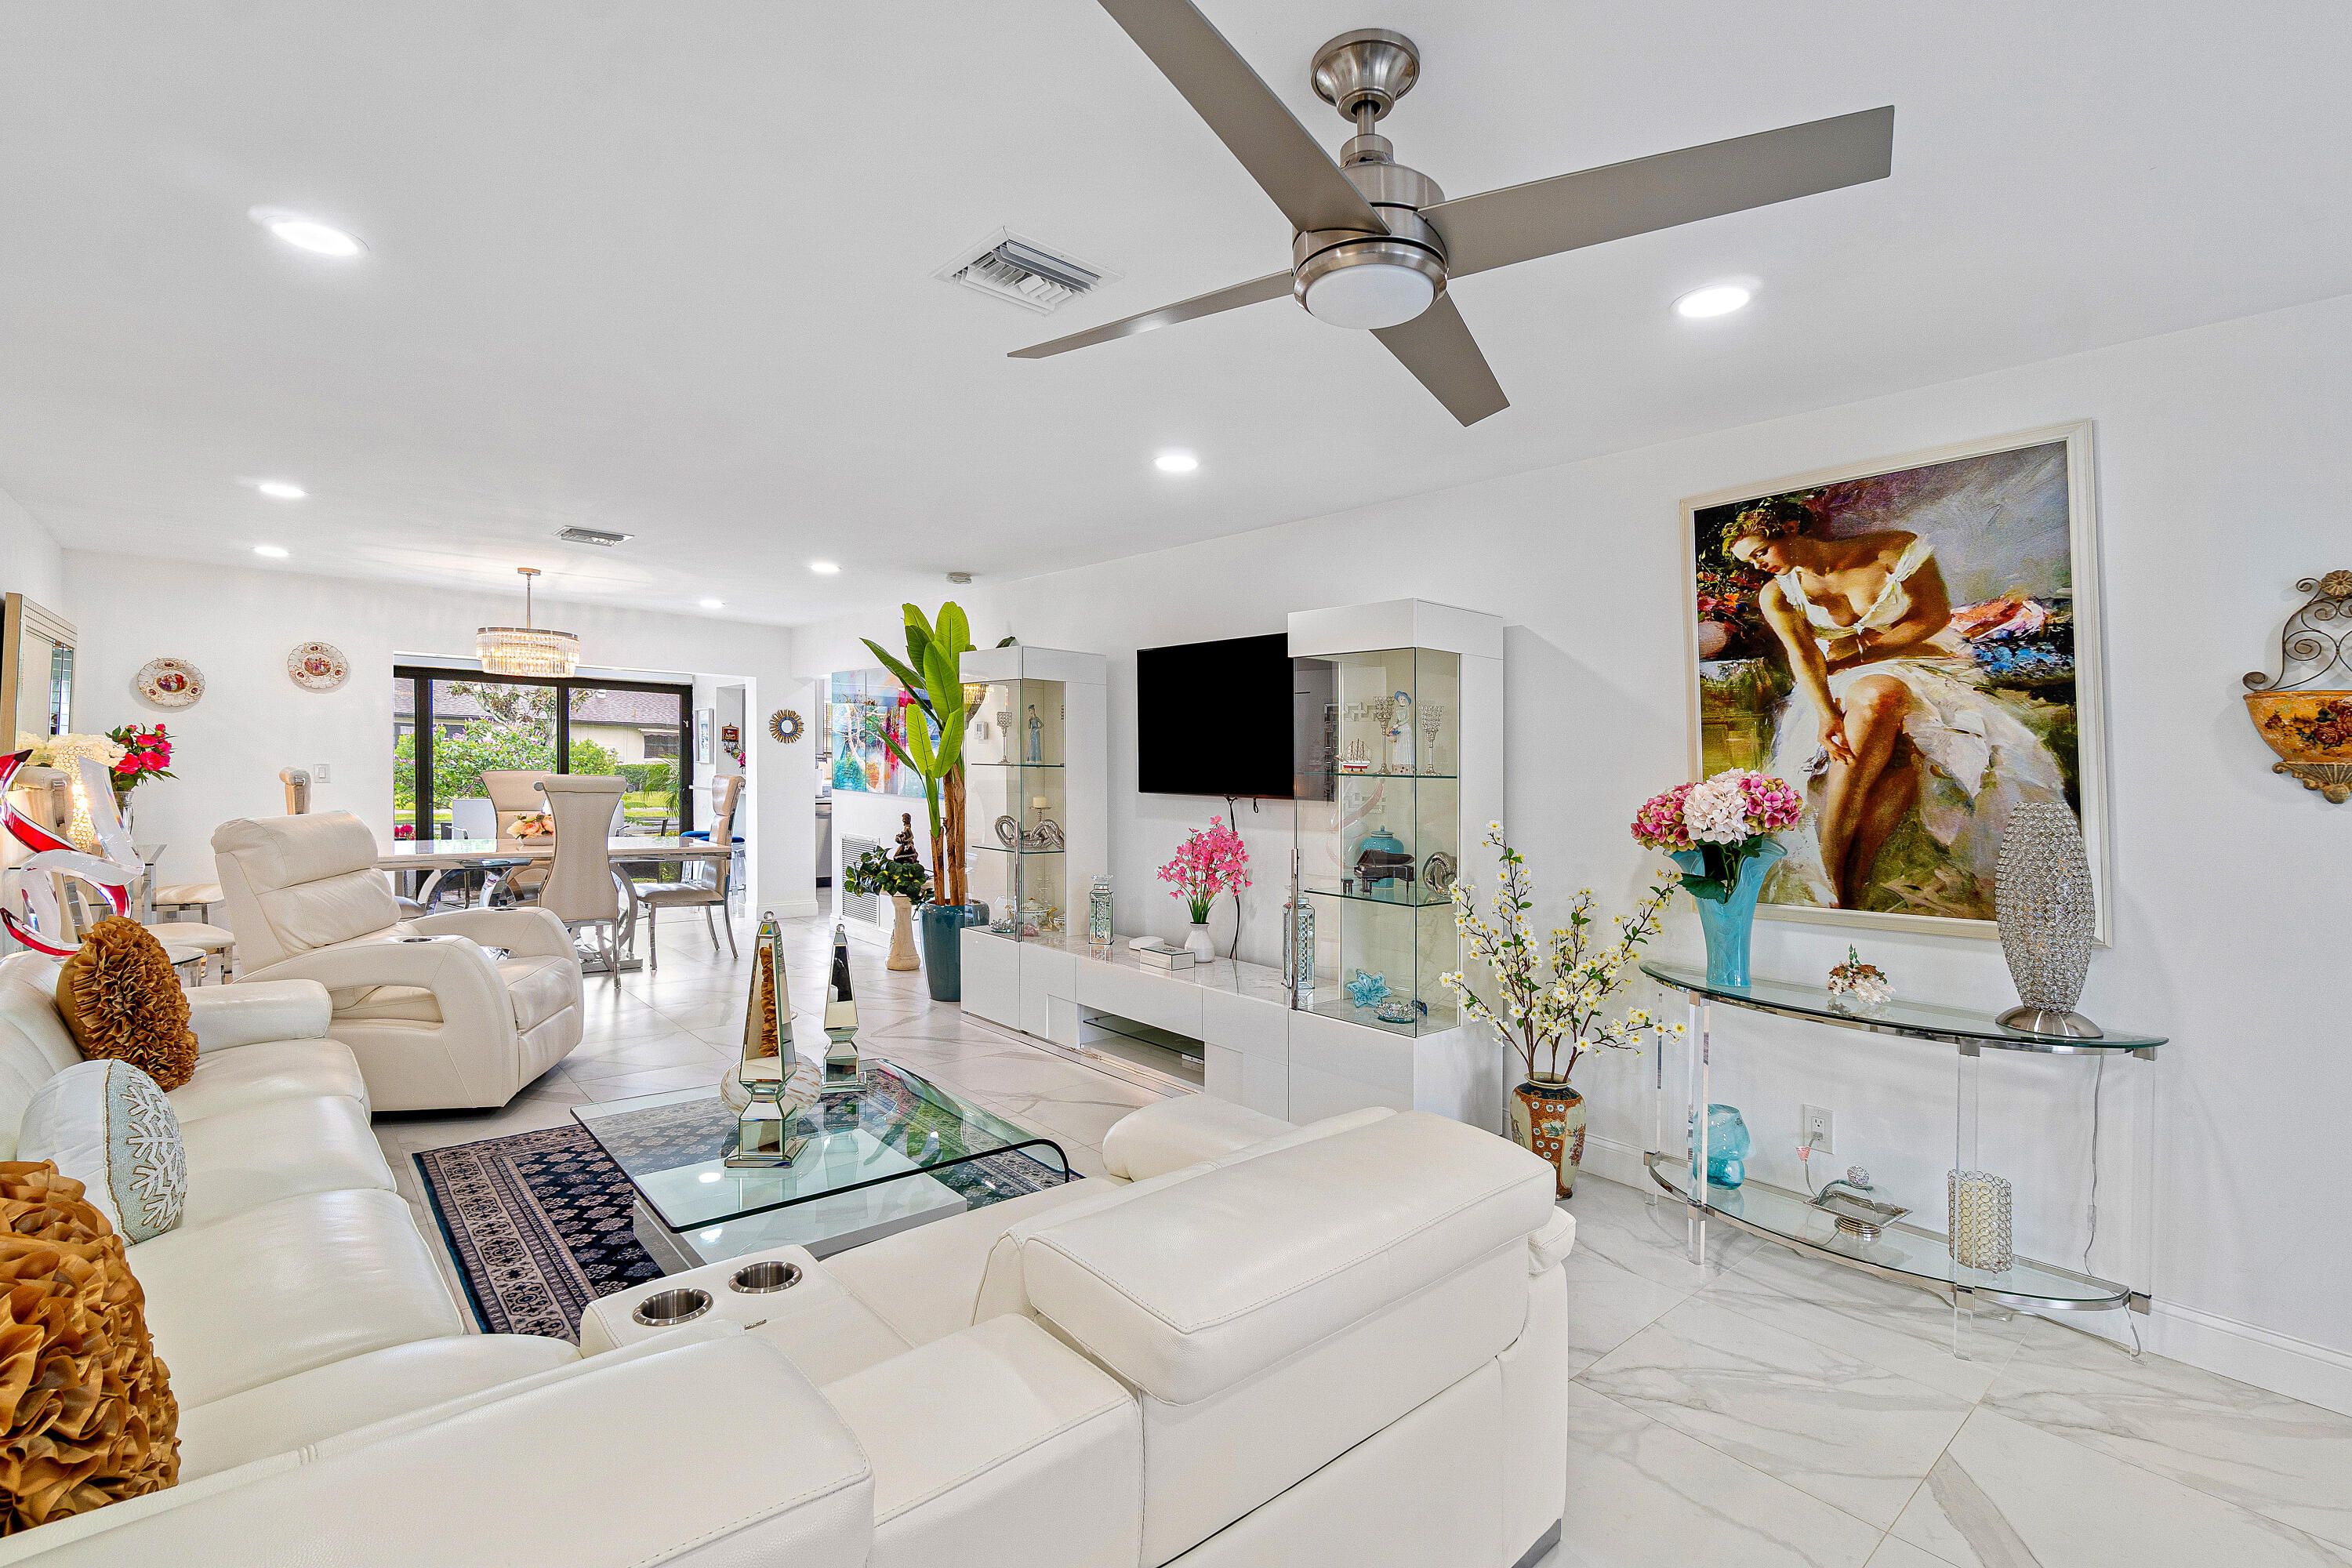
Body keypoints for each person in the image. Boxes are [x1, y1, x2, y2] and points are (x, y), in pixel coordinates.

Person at [1724, 496, 2065, 913]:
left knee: (1888, 719)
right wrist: (1826, 713)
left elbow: (1932, 617)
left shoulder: (1893, 548)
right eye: (1750, 560)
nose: (1758, 565)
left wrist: (1856, 655)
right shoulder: (1778, 594)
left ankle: (1847, 879)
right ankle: (1834, 875)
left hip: (1922, 661)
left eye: (1761, 552)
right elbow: (1804, 655)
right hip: (1838, 678)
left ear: (1790, 530)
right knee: (1875, 712)